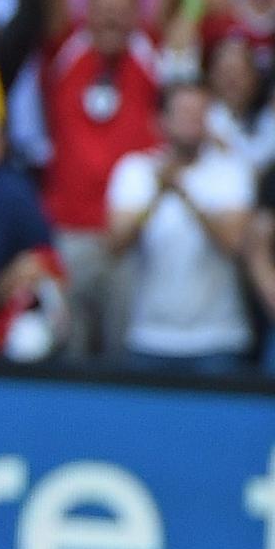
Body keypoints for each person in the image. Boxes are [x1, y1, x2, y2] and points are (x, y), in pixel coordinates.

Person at [104, 79, 258, 374]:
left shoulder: (231, 171)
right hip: (149, 337)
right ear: (161, 120)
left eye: (200, 114)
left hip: (218, 339)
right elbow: (115, 245)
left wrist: (186, 194)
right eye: (184, 114)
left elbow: (234, 243)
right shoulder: (135, 171)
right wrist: (157, 196)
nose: (193, 124)